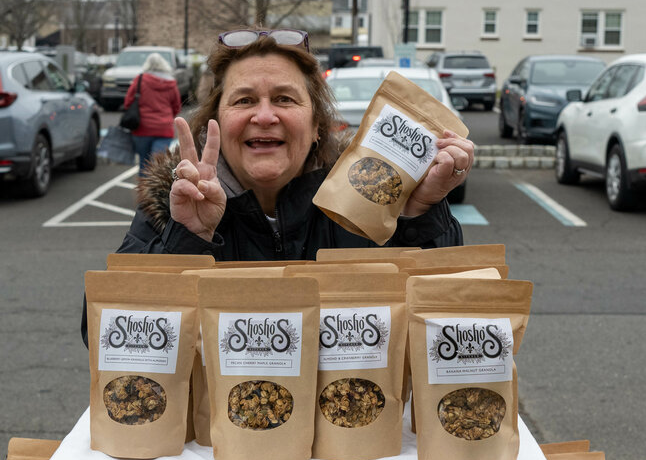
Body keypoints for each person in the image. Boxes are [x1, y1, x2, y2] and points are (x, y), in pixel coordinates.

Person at [83, 27, 473, 343]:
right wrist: (188, 236)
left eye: (285, 99)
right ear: (213, 121)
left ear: (317, 125)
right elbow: (101, 333)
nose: (265, 116)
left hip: (354, 433)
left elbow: (450, 318)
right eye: (244, 100)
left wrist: (421, 211)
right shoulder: (176, 203)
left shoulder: (369, 204)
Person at [124, 52, 183, 175]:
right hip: (164, 129)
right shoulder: (171, 83)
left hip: (142, 129)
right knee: (158, 167)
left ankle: (144, 193)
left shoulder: (140, 80)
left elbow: (128, 102)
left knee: (144, 165)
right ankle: (158, 192)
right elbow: (177, 106)